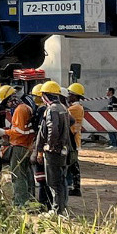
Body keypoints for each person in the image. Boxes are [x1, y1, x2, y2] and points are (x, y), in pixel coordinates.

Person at [34, 80, 72, 215]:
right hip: (63, 150)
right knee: (61, 181)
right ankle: (61, 209)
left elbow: (52, 129)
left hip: (53, 152)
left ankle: (56, 211)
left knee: (53, 182)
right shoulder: (63, 108)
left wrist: (49, 146)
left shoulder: (51, 110)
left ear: (46, 96)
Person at [0, 86, 36, 207]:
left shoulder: (19, 110)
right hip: (26, 145)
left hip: (19, 145)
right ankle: (29, 200)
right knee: (26, 174)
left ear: (10, 99)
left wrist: (4, 132)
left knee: (17, 175)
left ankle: (20, 203)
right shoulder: (26, 107)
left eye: (6, 102)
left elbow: (20, 131)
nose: (7, 105)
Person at [67, 83, 86, 197]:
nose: (68, 96)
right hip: (74, 138)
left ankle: (76, 187)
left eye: (70, 94)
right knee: (73, 164)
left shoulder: (75, 108)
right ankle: (75, 187)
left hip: (72, 138)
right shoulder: (77, 107)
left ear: (75, 96)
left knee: (73, 164)